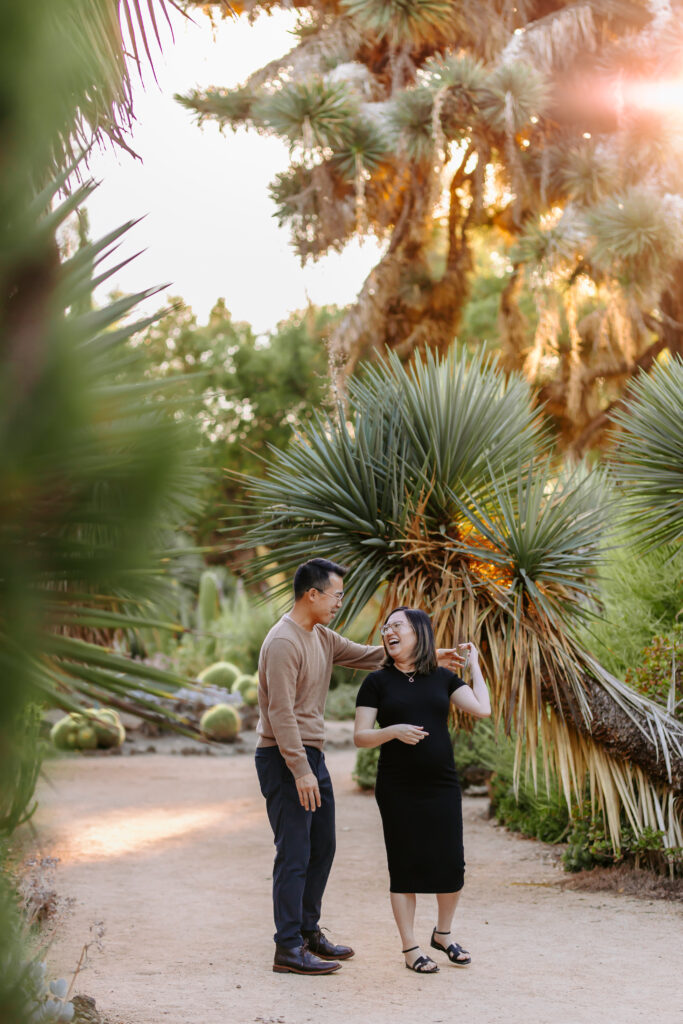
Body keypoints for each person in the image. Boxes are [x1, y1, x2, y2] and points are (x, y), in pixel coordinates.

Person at [255, 559, 464, 976]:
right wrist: (299, 769)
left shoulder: (320, 636)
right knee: (295, 852)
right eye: (336, 595)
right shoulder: (283, 642)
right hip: (284, 757)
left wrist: (429, 653)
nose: (340, 603)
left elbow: (368, 655)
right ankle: (288, 947)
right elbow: (280, 714)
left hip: (310, 755)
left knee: (323, 846)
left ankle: (309, 932)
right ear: (312, 594)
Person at [354, 605, 491, 974]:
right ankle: (411, 947)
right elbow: (360, 736)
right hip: (397, 787)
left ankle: (443, 935)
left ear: (419, 632)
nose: (388, 631)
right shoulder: (376, 682)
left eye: (397, 625)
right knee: (405, 866)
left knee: (451, 862)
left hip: (442, 784)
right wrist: (392, 731)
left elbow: (482, 708)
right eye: (386, 627)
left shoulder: (442, 678)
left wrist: (475, 665)